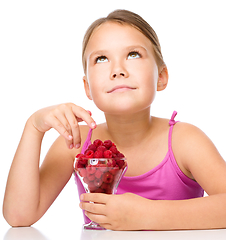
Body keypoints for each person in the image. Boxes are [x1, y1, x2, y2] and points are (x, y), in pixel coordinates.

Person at [3, 9, 226, 231]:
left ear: (161, 76)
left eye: (133, 54)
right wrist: (33, 127)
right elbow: (19, 216)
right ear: (87, 87)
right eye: (101, 58)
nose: (117, 70)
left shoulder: (185, 140)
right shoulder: (76, 143)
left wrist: (148, 216)